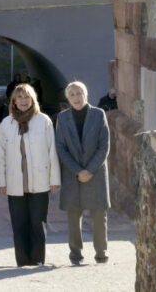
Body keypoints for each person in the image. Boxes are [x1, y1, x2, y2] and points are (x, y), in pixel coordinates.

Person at [0, 83, 59, 266]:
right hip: (15, 182)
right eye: (20, 97)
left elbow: (52, 151)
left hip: (40, 180)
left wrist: (54, 178)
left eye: (27, 97)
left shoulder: (43, 121)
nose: (23, 100)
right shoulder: (6, 124)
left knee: (38, 223)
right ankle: (22, 261)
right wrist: (1, 181)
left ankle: (37, 260)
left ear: (33, 99)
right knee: (19, 224)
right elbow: (0, 156)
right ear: (14, 101)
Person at [55, 81, 110, 265]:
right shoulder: (62, 118)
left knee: (98, 215)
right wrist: (78, 171)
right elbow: (61, 148)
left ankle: (101, 253)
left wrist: (89, 170)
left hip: (95, 172)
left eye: (79, 93)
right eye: (72, 95)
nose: (76, 98)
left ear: (86, 95)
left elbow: (104, 145)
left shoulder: (98, 114)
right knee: (73, 216)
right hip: (73, 174)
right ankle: (75, 254)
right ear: (68, 99)